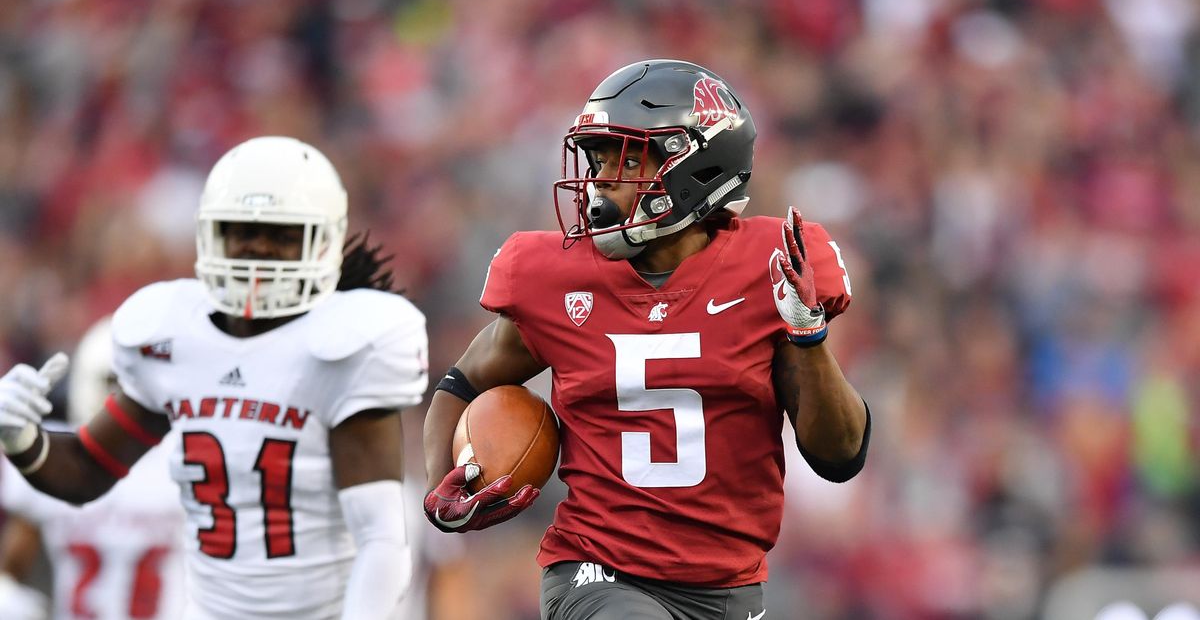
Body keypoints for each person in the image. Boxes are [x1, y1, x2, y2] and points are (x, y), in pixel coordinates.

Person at [422, 59, 871, 620]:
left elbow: (839, 456)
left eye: (623, 156)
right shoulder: (557, 279)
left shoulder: (770, 269)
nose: (599, 178)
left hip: (730, 587)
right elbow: (461, 382)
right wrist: (441, 489)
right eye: (597, 158)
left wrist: (808, 335)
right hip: (595, 572)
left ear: (696, 165)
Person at [0, 136, 429, 620]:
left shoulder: (341, 347)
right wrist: (21, 438)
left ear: (322, 240)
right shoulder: (179, 342)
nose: (258, 248)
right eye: (240, 229)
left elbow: (382, 538)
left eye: (282, 234)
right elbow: (85, 468)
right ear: (209, 234)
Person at [0, 316, 186, 620]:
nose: (124, 402)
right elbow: (14, 563)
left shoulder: (181, 456)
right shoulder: (58, 462)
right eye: (115, 385)